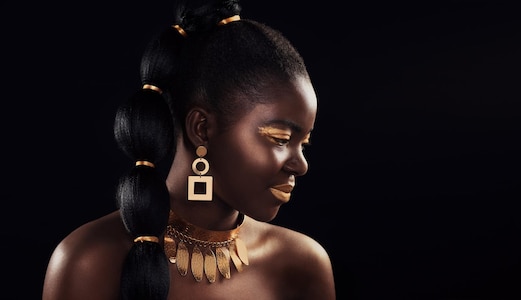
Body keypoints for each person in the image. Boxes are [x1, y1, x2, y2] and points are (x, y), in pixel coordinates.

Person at [42, 0, 336, 299]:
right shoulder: (91, 260)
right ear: (202, 129)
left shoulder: (301, 265)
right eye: (281, 138)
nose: (300, 165)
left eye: (304, 143)